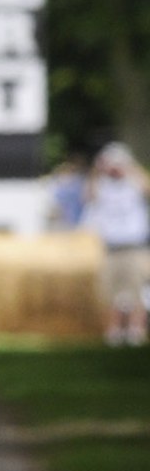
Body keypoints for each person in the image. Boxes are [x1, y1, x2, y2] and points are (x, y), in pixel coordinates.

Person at [82, 141, 150, 346]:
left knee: (137, 292)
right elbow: (87, 197)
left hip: (134, 247)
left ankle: (135, 331)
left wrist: (130, 167)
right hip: (111, 249)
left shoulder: (134, 182)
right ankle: (114, 331)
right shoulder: (102, 185)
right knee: (110, 294)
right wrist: (97, 169)